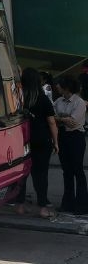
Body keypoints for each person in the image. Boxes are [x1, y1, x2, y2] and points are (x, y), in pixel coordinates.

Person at [13, 68, 59, 218]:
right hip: (41, 139)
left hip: (22, 140)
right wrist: (56, 142)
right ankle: (42, 207)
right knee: (41, 173)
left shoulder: (18, 98)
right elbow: (51, 122)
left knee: (22, 173)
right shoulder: (43, 99)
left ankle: (19, 204)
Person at [53, 75, 88, 213]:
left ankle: (82, 204)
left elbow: (73, 122)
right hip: (62, 136)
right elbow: (52, 116)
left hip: (76, 137)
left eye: (60, 84)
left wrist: (59, 118)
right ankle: (67, 203)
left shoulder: (79, 102)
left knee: (77, 170)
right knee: (66, 171)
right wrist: (62, 119)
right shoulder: (58, 101)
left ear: (66, 87)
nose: (57, 86)